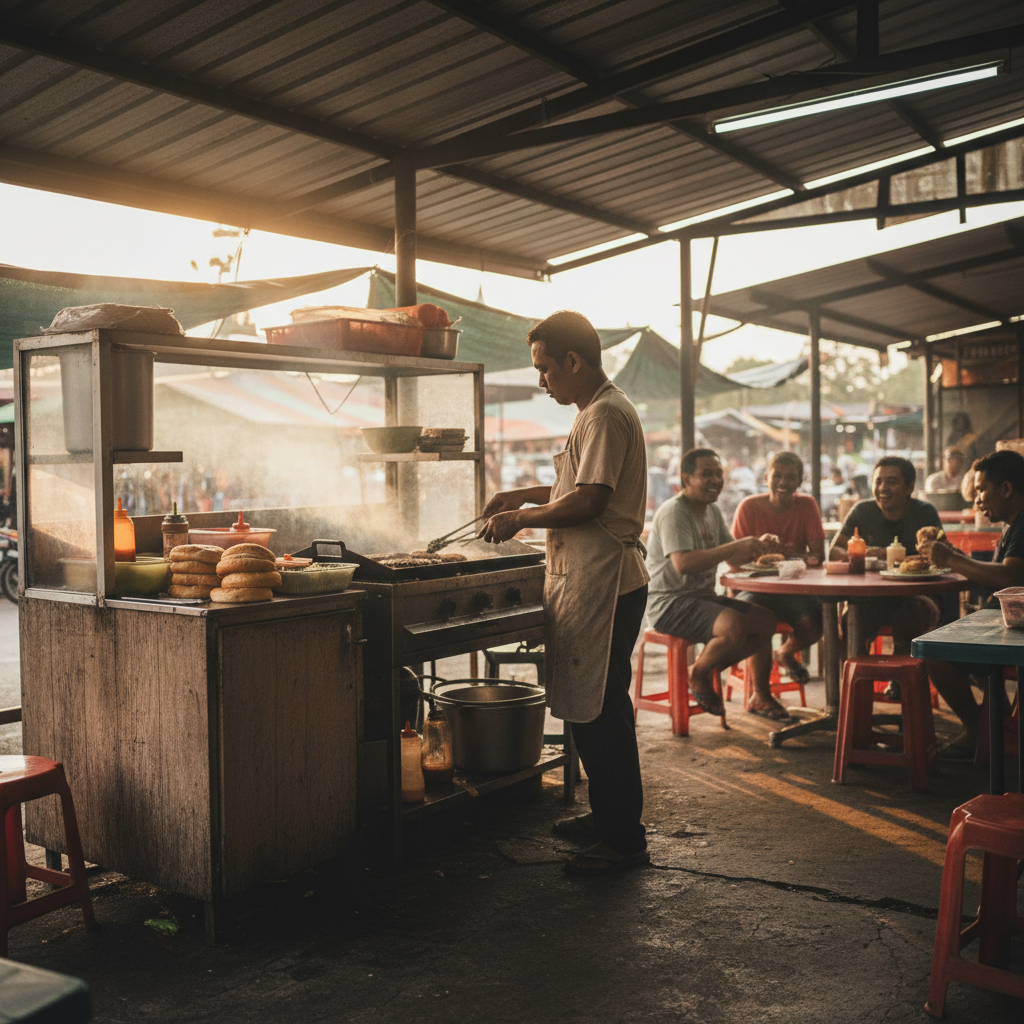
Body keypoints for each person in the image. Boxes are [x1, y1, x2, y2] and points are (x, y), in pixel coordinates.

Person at [477, 310, 651, 876]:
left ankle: (624, 840)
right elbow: (571, 487)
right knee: (588, 708)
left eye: (545, 369)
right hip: (593, 580)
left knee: (602, 712)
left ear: (573, 361)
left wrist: (524, 518)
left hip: (607, 582)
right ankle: (606, 817)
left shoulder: (603, 414)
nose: (542, 381)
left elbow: (590, 501)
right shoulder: (594, 412)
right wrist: (517, 495)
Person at [645, 448, 796, 724]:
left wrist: (757, 546)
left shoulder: (712, 511)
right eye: (706, 474)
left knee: (765, 621)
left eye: (719, 474)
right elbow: (683, 563)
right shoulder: (673, 512)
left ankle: (748, 689)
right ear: (686, 478)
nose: (715, 480)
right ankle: (698, 673)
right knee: (735, 626)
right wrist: (737, 545)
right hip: (669, 603)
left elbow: (733, 555)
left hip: (701, 598)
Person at [918, 449, 1024, 759]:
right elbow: (992, 577)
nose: (976, 499)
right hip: (1008, 621)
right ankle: (996, 729)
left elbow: (1010, 575)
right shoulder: (1012, 524)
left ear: (1005, 489)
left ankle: (979, 729)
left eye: (981, 489)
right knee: (943, 634)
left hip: (1015, 628)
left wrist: (951, 558)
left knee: (934, 651)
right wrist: (955, 558)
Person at [829, 456, 943, 660]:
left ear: (909, 487)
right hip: (873, 596)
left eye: (892, 482)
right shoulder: (862, 511)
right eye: (878, 481)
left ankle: (900, 682)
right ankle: (860, 680)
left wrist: (898, 556)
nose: (883, 488)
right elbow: (835, 550)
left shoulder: (924, 513)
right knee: (850, 620)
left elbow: (939, 556)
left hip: (916, 595)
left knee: (914, 614)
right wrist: (864, 552)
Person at [731, 451, 825, 687]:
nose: (783, 482)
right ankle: (760, 694)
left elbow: (818, 556)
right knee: (756, 620)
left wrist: (781, 554)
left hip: (793, 591)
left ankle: (784, 653)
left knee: (819, 621)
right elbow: (734, 560)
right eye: (778, 475)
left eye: (791, 477)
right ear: (766, 477)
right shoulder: (748, 507)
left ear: (799, 482)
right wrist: (760, 550)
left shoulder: (807, 505)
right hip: (755, 588)